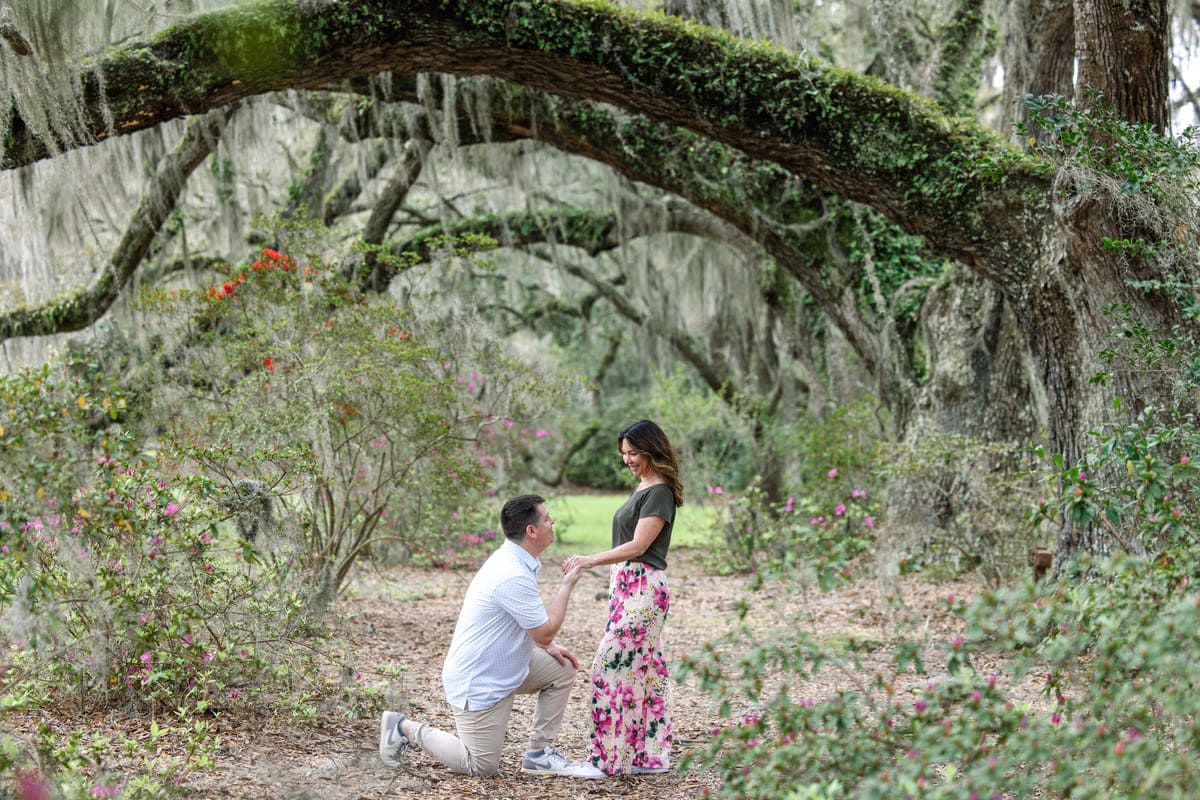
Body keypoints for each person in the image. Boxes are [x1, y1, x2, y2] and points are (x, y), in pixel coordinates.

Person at [378, 493, 604, 779]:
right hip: (480, 680)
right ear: (531, 531)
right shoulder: (512, 573)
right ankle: (403, 728)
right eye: (547, 519)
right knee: (480, 767)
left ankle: (539, 755)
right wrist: (567, 585)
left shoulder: (515, 559)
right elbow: (545, 629)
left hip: (505, 663)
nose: (552, 522)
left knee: (562, 669)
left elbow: (529, 629)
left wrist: (549, 645)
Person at [562, 419, 682, 776]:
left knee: (609, 666)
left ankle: (606, 761)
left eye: (633, 452)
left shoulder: (658, 491)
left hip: (643, 589)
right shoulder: (644, 487)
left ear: (651, 449)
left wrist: (590, 559)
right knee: (647, 671)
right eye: (624, 454)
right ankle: (649, 756)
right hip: (627, 588)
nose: (627, 460)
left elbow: (640, 545)